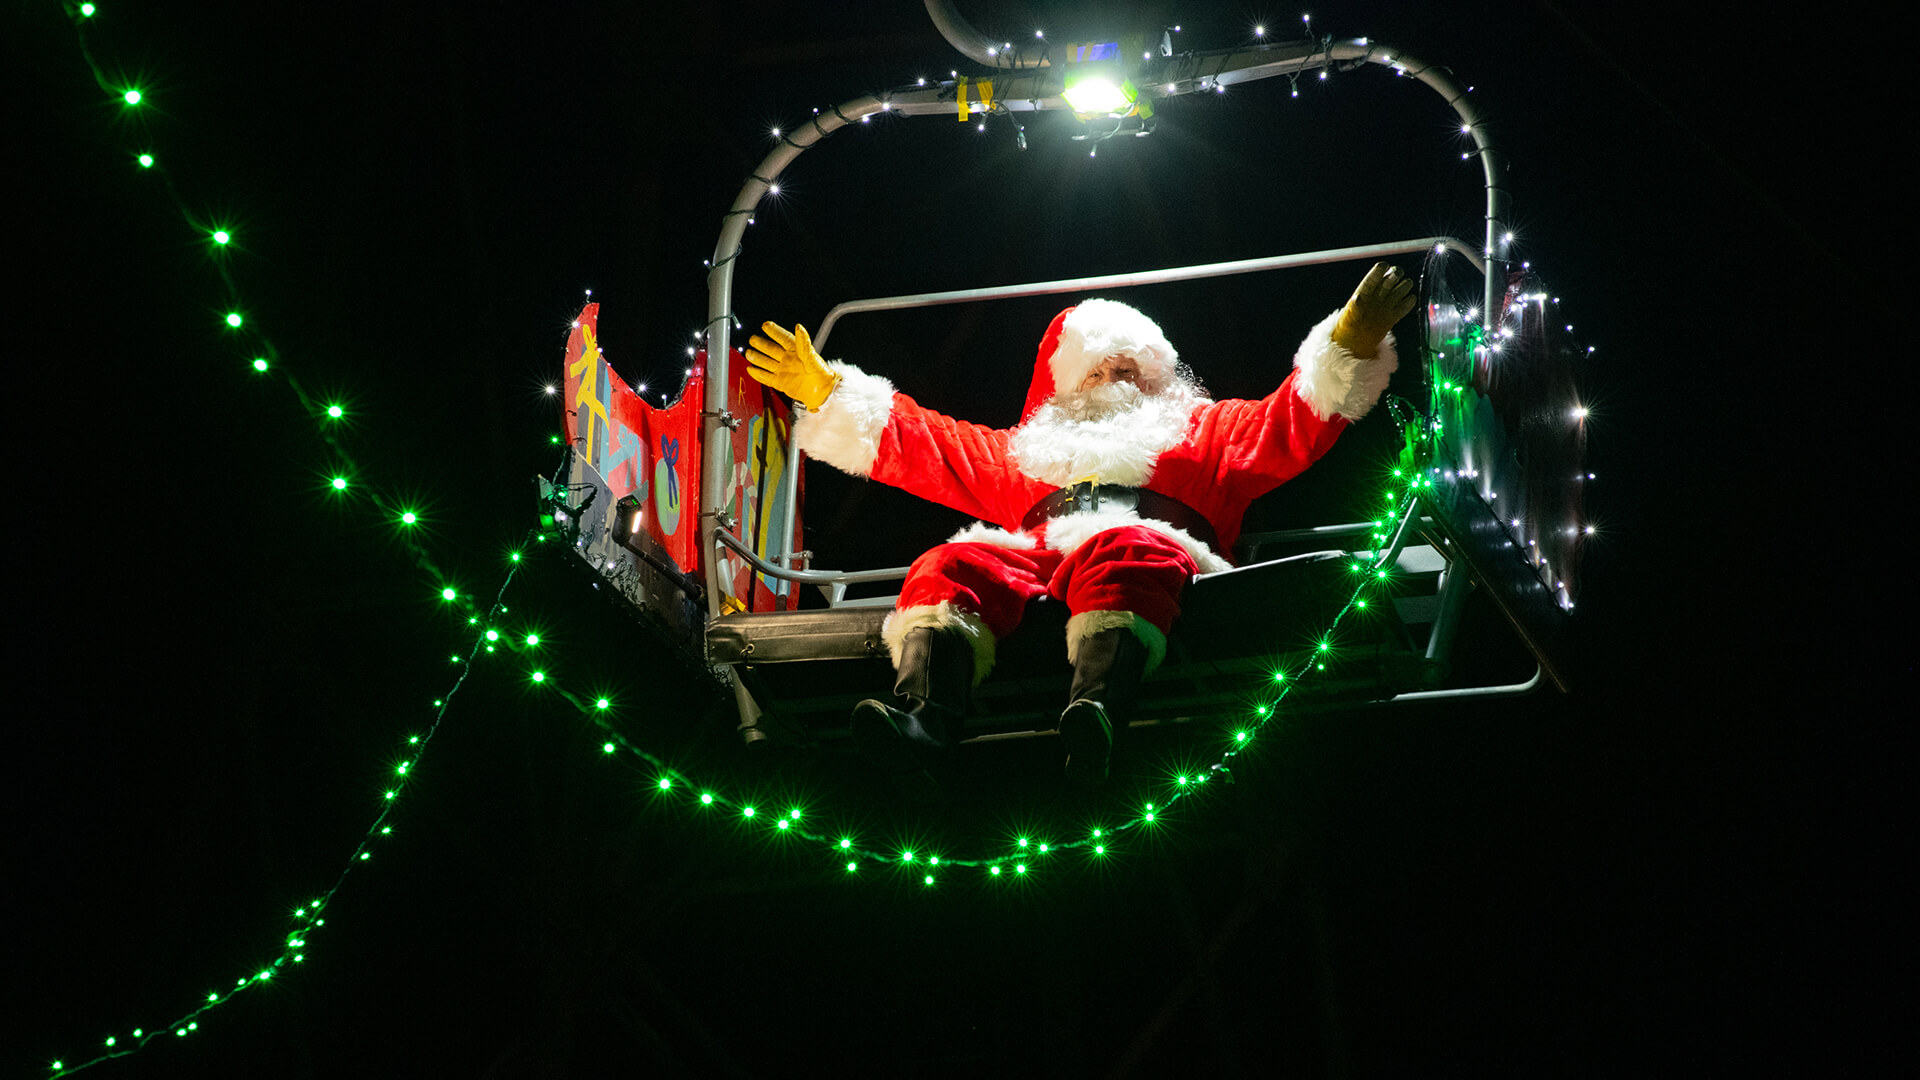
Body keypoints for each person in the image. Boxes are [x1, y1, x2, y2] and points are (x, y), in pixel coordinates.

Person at [746, 264, 1415, 794]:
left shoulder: (1206, 433)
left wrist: (1348, 342)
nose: (1113, 378)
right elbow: (923, 441)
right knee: (949, 566)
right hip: (1040, 555)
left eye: (1128, 368)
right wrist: (826, 391)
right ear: (1065, 384)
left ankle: (1096, 707)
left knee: (1129, 551)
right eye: (1096, 369)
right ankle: (923, 719)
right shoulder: (1024, 454)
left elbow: (1286, 422)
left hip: (1150, 544)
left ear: (1156, 376)